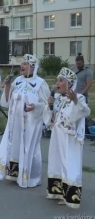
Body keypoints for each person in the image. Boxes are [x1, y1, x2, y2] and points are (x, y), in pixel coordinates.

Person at [0, 54, 51, 187]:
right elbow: (7, 101)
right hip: (15, 122)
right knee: (14, 145)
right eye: (21, 64)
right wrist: (7, 86)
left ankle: (30, 176)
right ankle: (13, 174)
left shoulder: (40, 83)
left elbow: (46, 104)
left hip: (31, 122)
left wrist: (35, 107)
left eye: (25, 64)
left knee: (29, 148)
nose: (21, 66)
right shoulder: (17, 80)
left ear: (33, 67)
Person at [46, 67, 91, 209]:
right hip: (57, 136)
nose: (57, 83)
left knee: (69, 163)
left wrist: (75, 100)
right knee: (57, 161)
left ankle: (70, 196)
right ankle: (58, 192)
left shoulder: (79, 98)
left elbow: (85, 111)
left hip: (69, 139)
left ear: (70, 84)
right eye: (57, 80)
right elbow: (52, 118)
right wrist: (49, 105)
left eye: (61, 80)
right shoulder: (58, 98)